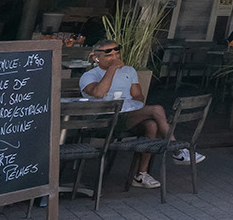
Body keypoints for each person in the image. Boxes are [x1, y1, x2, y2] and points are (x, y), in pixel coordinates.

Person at [80, 40, 199, 186]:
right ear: (96, 58)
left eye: (117, 53)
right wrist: (111, 70)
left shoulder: (129, 71)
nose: (115, 58)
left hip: (126, 117)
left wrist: (135, 106)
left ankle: (140, 175)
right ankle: (177, 150)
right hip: (103, 120)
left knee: (151, 125)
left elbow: (138, 96)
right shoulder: (89, 75)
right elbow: (98, 93)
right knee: (157, 109)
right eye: (109, 55)